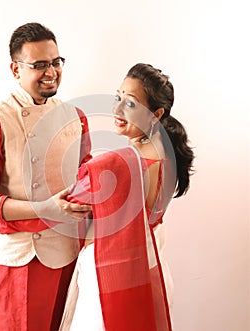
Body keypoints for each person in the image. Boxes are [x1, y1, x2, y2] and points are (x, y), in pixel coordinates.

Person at [0, 22, 92, 331]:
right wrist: (42, 210)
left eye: (56, 62)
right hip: (17, 259)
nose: (51, 71)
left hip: (65, 254)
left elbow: (87, 181)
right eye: (39, 65)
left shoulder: (76, 117)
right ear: (15, 69)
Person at [58, 63, 195, 331]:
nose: (117, 109)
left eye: (130, 104)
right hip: (152, 271)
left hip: (110, 279)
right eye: (117, 97)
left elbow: (69, 200)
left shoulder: (118, 165)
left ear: (156, 115)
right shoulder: (168, 159)